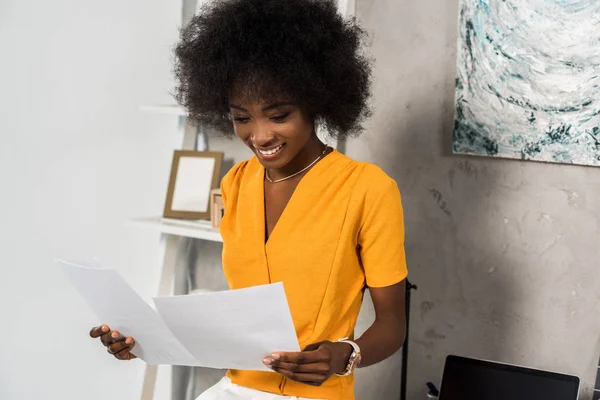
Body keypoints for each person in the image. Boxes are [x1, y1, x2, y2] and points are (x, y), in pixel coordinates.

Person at [89, 0, 408, 399]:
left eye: (278, 115)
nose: (259, 136)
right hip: (234, 389)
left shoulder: (367, 189)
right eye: (242, 118)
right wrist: (142, 339)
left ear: (317, 101)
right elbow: (241, 317)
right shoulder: (237, 182)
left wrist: (345, 353)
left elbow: (393, 323)